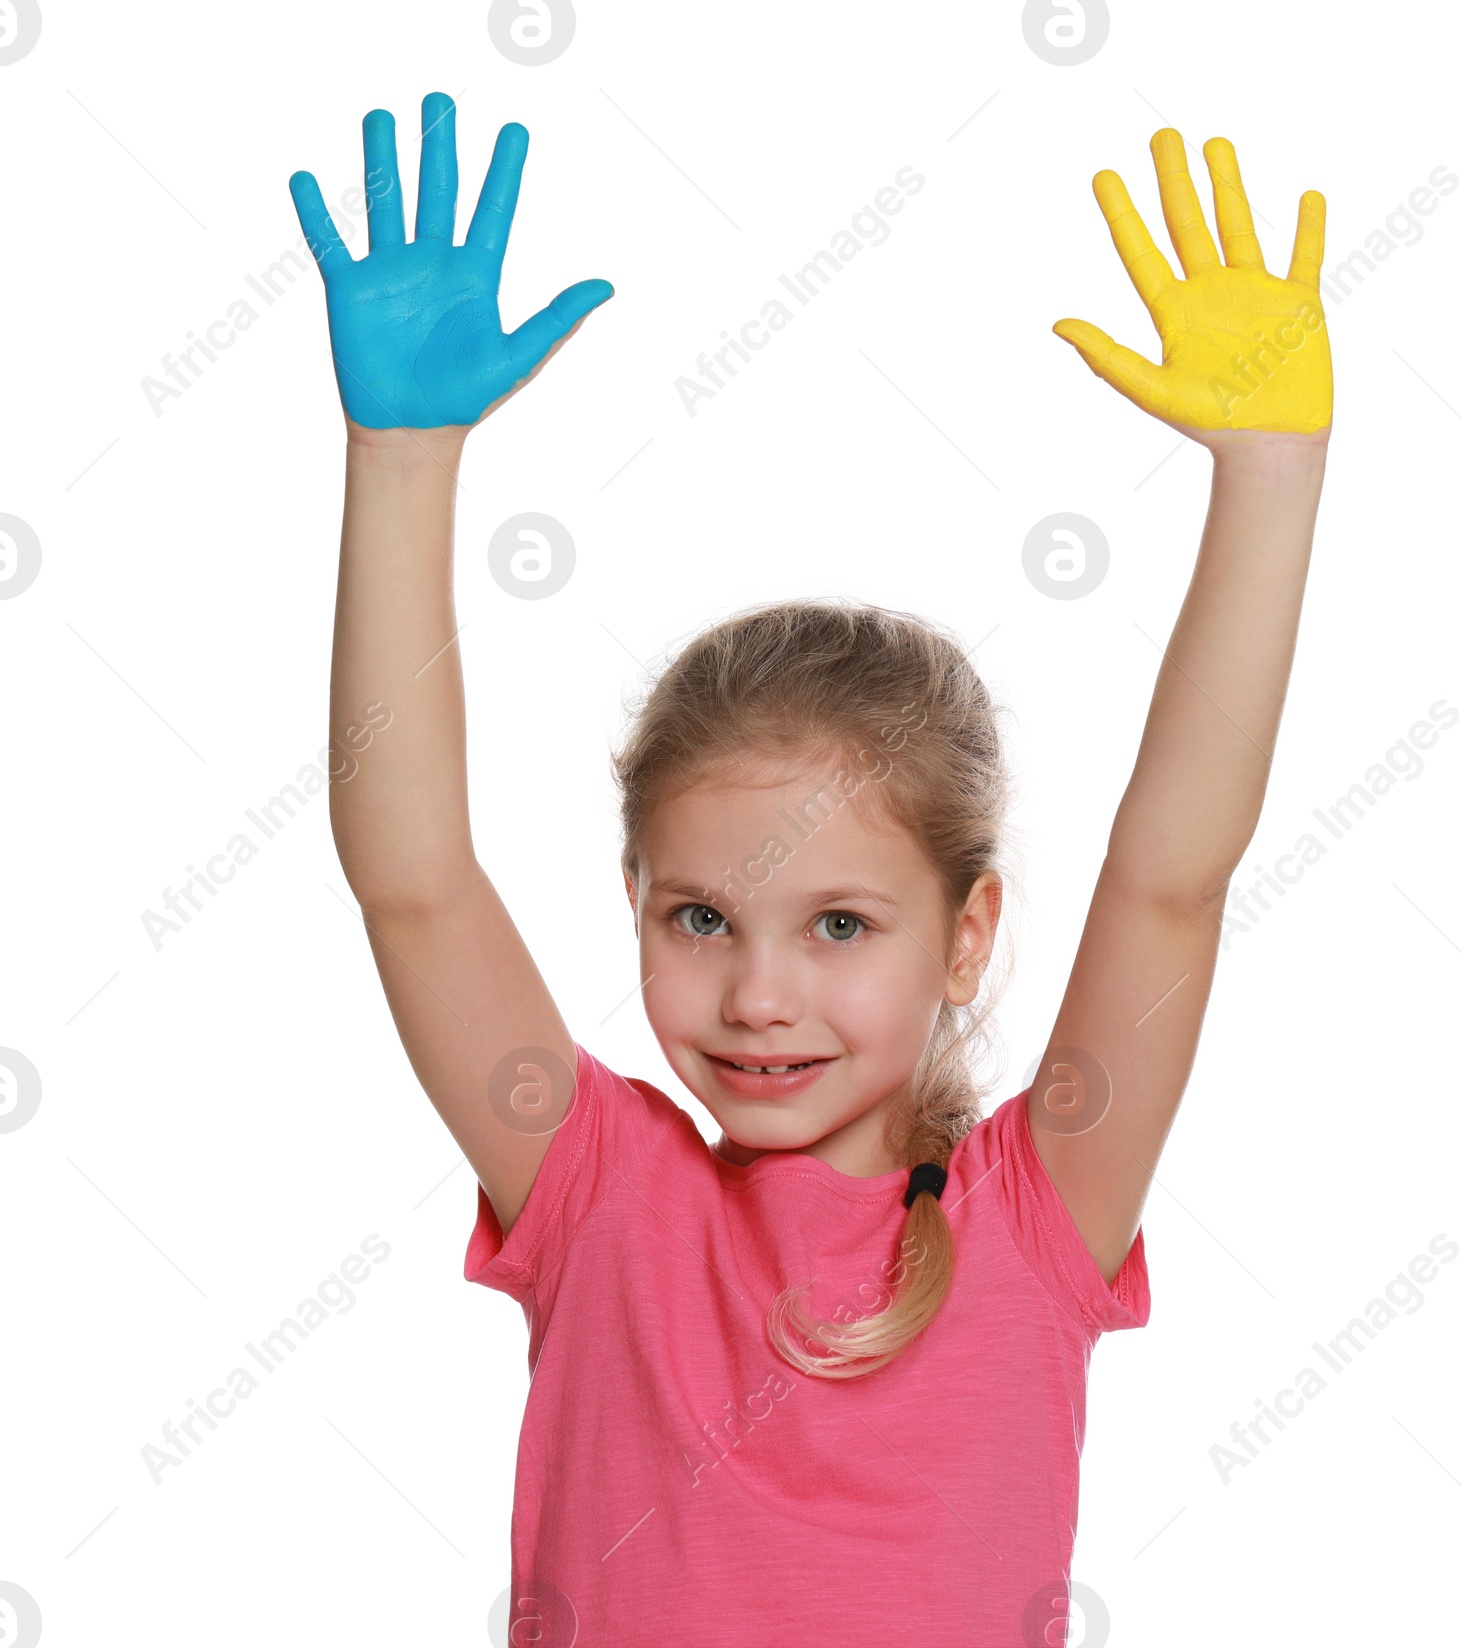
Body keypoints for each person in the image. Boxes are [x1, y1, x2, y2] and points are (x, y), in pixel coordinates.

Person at [289, 96, 1332, 1645]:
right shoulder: (599, 1196)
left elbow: (1174, 877)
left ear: (967, 934)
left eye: (839, 923)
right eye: (698, 918)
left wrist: (1273, 480)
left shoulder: (1035, 1221)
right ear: (636, 904)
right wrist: (400, 463)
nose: (758, 993)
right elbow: (414, 880)